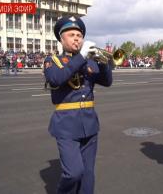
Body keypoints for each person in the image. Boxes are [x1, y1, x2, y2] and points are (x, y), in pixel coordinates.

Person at [43, 16, 112, 194]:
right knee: (73, 173)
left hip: (89, 124)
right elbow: (56, 78)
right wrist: (81, 57)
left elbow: (107, 81)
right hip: (66, 125)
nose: (77, 38)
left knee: (88, 174)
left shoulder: (88, 61)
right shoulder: (53, 61)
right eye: (72, 34)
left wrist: (103, 62)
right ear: (61, 38)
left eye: (79, 35)